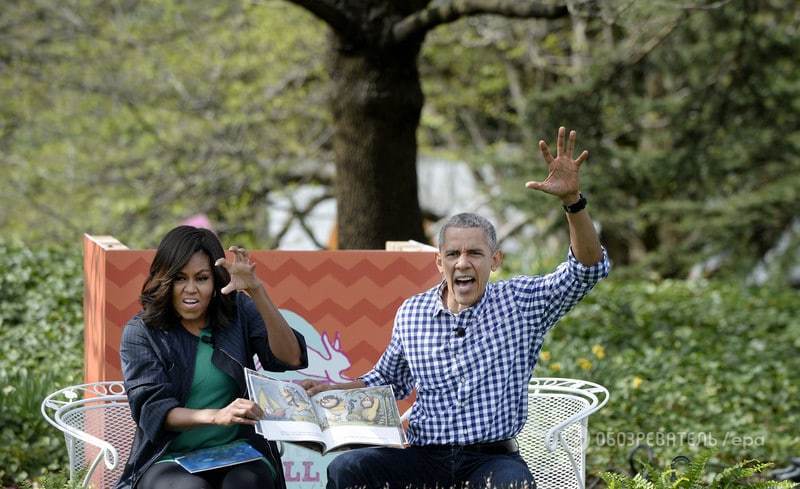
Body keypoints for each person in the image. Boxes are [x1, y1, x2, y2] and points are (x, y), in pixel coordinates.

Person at [302, 127, 611, 489]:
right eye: (453, 254)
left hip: (492, 458)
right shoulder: (412, 312)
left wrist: (573, 202)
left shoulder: (521, 302)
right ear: (439, 263)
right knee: (348, 469)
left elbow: (585, 269)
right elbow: (386, 381)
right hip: (424, 455)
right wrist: (332, 388)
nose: (463, 263)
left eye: (475, 253)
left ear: (494, 260)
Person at [117, 226, 309, 489]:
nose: (191, 289)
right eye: (180, 278)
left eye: (202, 278)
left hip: (239, 452)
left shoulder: (237, 312)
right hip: (167, 458)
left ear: (216, 281)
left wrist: (256, 291)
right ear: (165, 280)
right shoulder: (141, 332)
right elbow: (153, 411)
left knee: (247, 483)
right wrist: (217, 416)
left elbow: (291, 357)